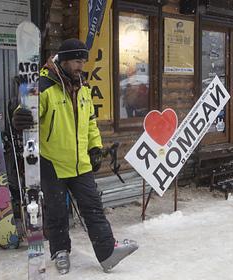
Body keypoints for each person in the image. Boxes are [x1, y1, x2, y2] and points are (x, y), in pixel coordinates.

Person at [12, 38, 138, 274]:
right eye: (78, 61)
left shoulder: (83, 87)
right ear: (65, 60)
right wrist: (19, 115)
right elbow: (27, 109)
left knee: (93, 207)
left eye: (83, 61)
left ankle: (107, 252)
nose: (81, 66)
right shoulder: (44, 85)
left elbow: (90, 122)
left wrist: (94, 148)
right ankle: (60, 252)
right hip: (54, 162)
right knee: (57, 211)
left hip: (81, 163)